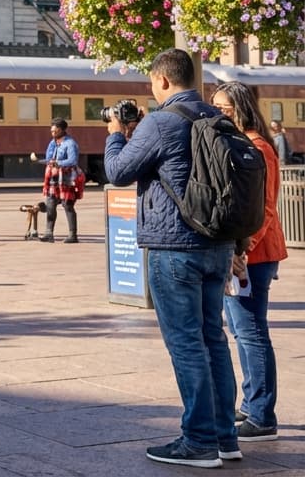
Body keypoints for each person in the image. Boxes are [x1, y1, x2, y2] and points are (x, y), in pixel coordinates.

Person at [104, 49, 239, 467]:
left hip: (175, 247)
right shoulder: (217, 117)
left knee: (185, 342)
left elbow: (117, 172)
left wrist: (115, 133)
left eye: (151, 83)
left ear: (162, 80)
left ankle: (198, 441)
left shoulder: (160, 122)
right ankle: (225, 437)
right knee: (213, 338)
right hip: (218, 244)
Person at [212, 81, 287, 443]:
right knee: (242, 331)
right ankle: (251, 402)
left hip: (253, 255)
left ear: (239, 109)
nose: (216, 113)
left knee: (252, 331)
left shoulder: (259, 147)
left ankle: (261, 415)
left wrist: (242, 250)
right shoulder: (243, 143)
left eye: (223, 108)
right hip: (242, 253)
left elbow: (265, 208)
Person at [34, 118, 80, 243]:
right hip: (53, 179)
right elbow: (49, 159)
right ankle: (49, 233)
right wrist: (39, 161)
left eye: (55, 131)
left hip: (66, 179)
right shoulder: (52, 143)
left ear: (62, 130)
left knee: (67, 205)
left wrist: (58, 163)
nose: (53, 133)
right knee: (50, 204)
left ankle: (73, 235)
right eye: (52, 131)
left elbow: (73, 161)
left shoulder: (70, 143)